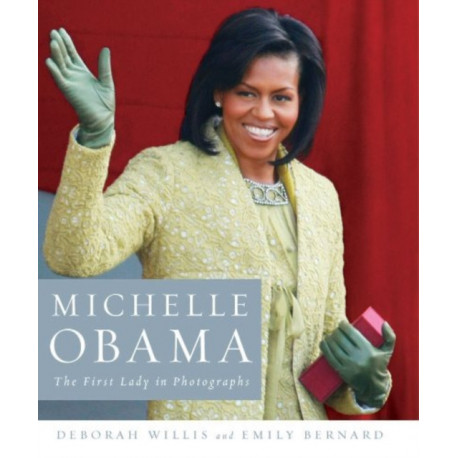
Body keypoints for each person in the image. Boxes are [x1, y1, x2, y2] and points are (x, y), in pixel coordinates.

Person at [44, 7, 395, 420]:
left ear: (302, 103)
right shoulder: (166, 173)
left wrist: (367, 384)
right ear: (219, 92)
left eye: (281, 97)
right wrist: (95, 135)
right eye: (247, 93)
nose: (263, 112)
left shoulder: (321, 196)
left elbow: (326, 350)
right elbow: (74, 255)